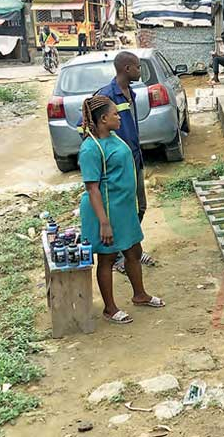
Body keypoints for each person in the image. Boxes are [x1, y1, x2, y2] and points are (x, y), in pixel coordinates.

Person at [78, 95, 165, 324]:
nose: (119, 116)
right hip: (104, 211)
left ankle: (140, 295)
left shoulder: (114, 137)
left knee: (133, 252)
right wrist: (104, 223)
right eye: (115, 114)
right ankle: (110, 308)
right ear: (104, 119)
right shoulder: (90, 148)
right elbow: (92, 189)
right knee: (107, 259)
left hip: (124, 209)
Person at [76, 51, 156, 273]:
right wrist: (103, 155)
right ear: (127, 69)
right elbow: (83, 127)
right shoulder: (106, 96)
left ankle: (128, 248)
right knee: (121, 210)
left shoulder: (131, 93)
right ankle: (121, 253)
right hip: (116, 168)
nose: (140, 71)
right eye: (138, 67)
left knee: (139, 207)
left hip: (133, 161)